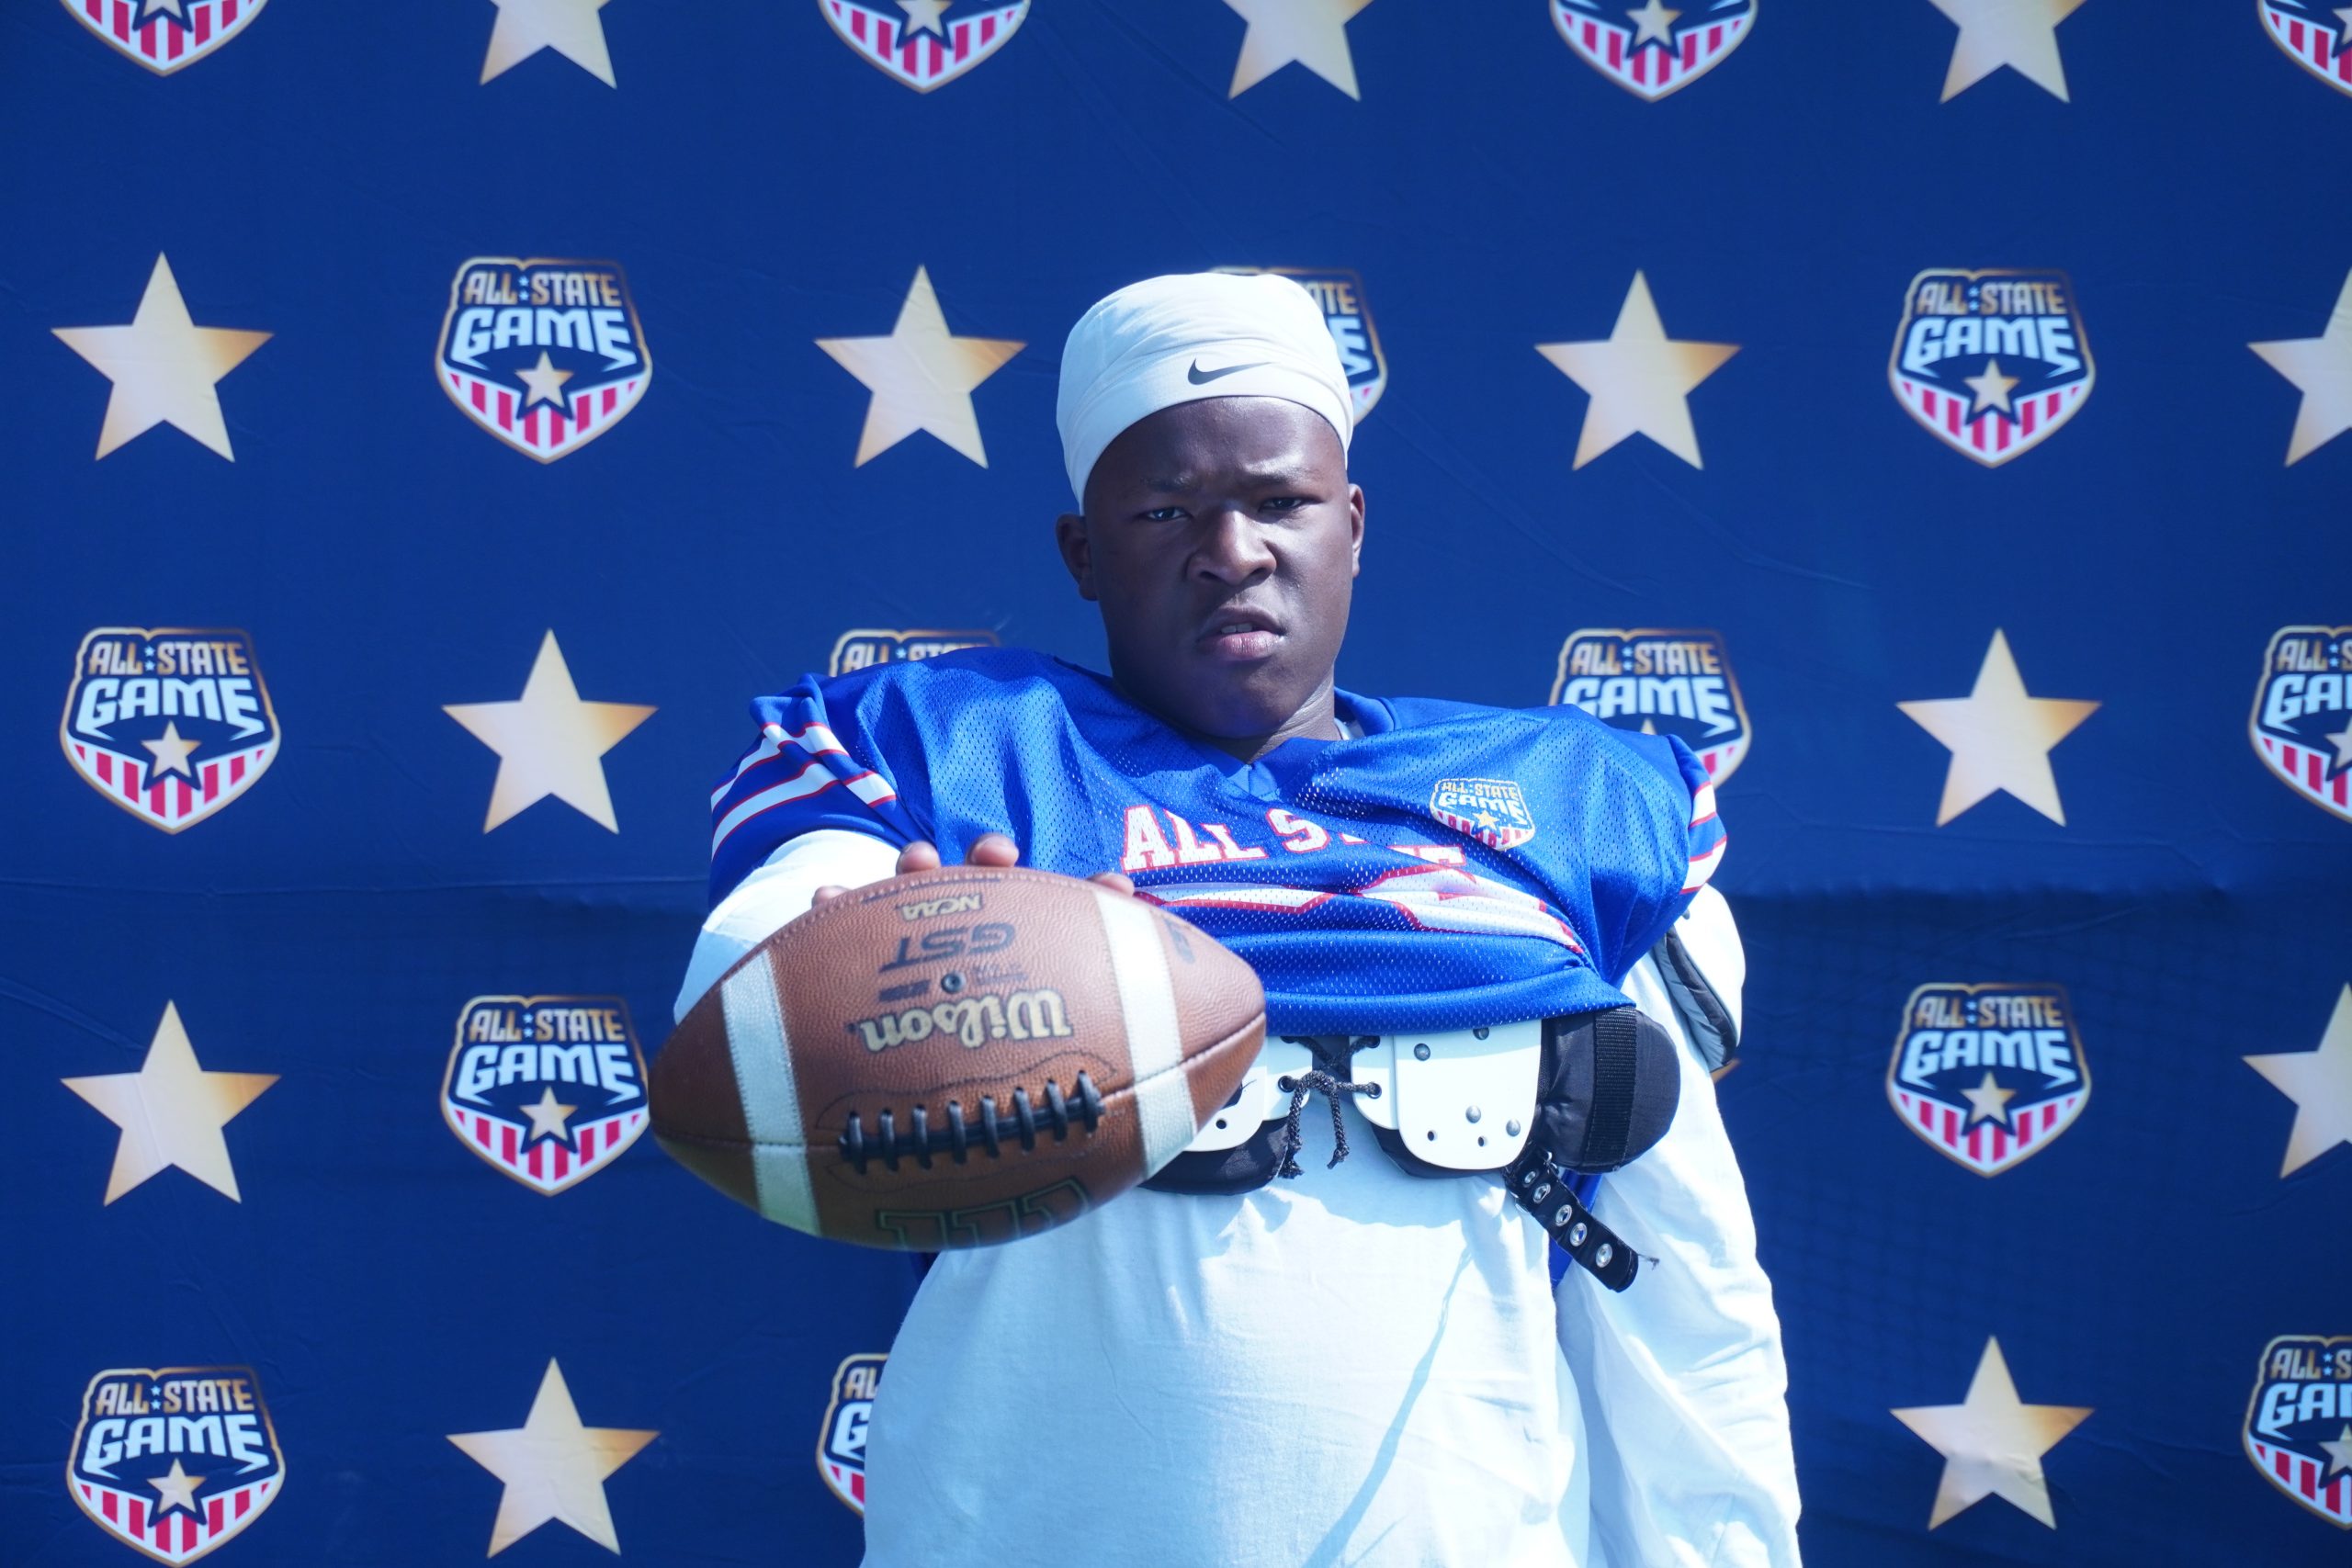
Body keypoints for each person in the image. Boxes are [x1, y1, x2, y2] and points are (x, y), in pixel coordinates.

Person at [674, 273, 1800, 1567]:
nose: (1232, 551)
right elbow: (743, 1009)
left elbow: (1685, 1301)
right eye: (1166, 511)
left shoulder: (1577, 805)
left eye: (1279, 502)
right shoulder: (946, 756)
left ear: (1353, 524)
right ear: (1082, 551)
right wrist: (891, 967)